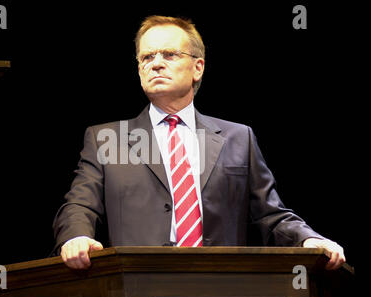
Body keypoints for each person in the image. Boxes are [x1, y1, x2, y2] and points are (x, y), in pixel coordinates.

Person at [52, 15, 346, 270]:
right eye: (146, 57)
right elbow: (79, 204)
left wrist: (310, 239)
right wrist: (75, 236)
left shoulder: (238, 138)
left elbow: (271, 214)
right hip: (137, 283)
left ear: (198, 68)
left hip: (221, 284)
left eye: (169, 55)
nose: (156, 64)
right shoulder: (106, 139)